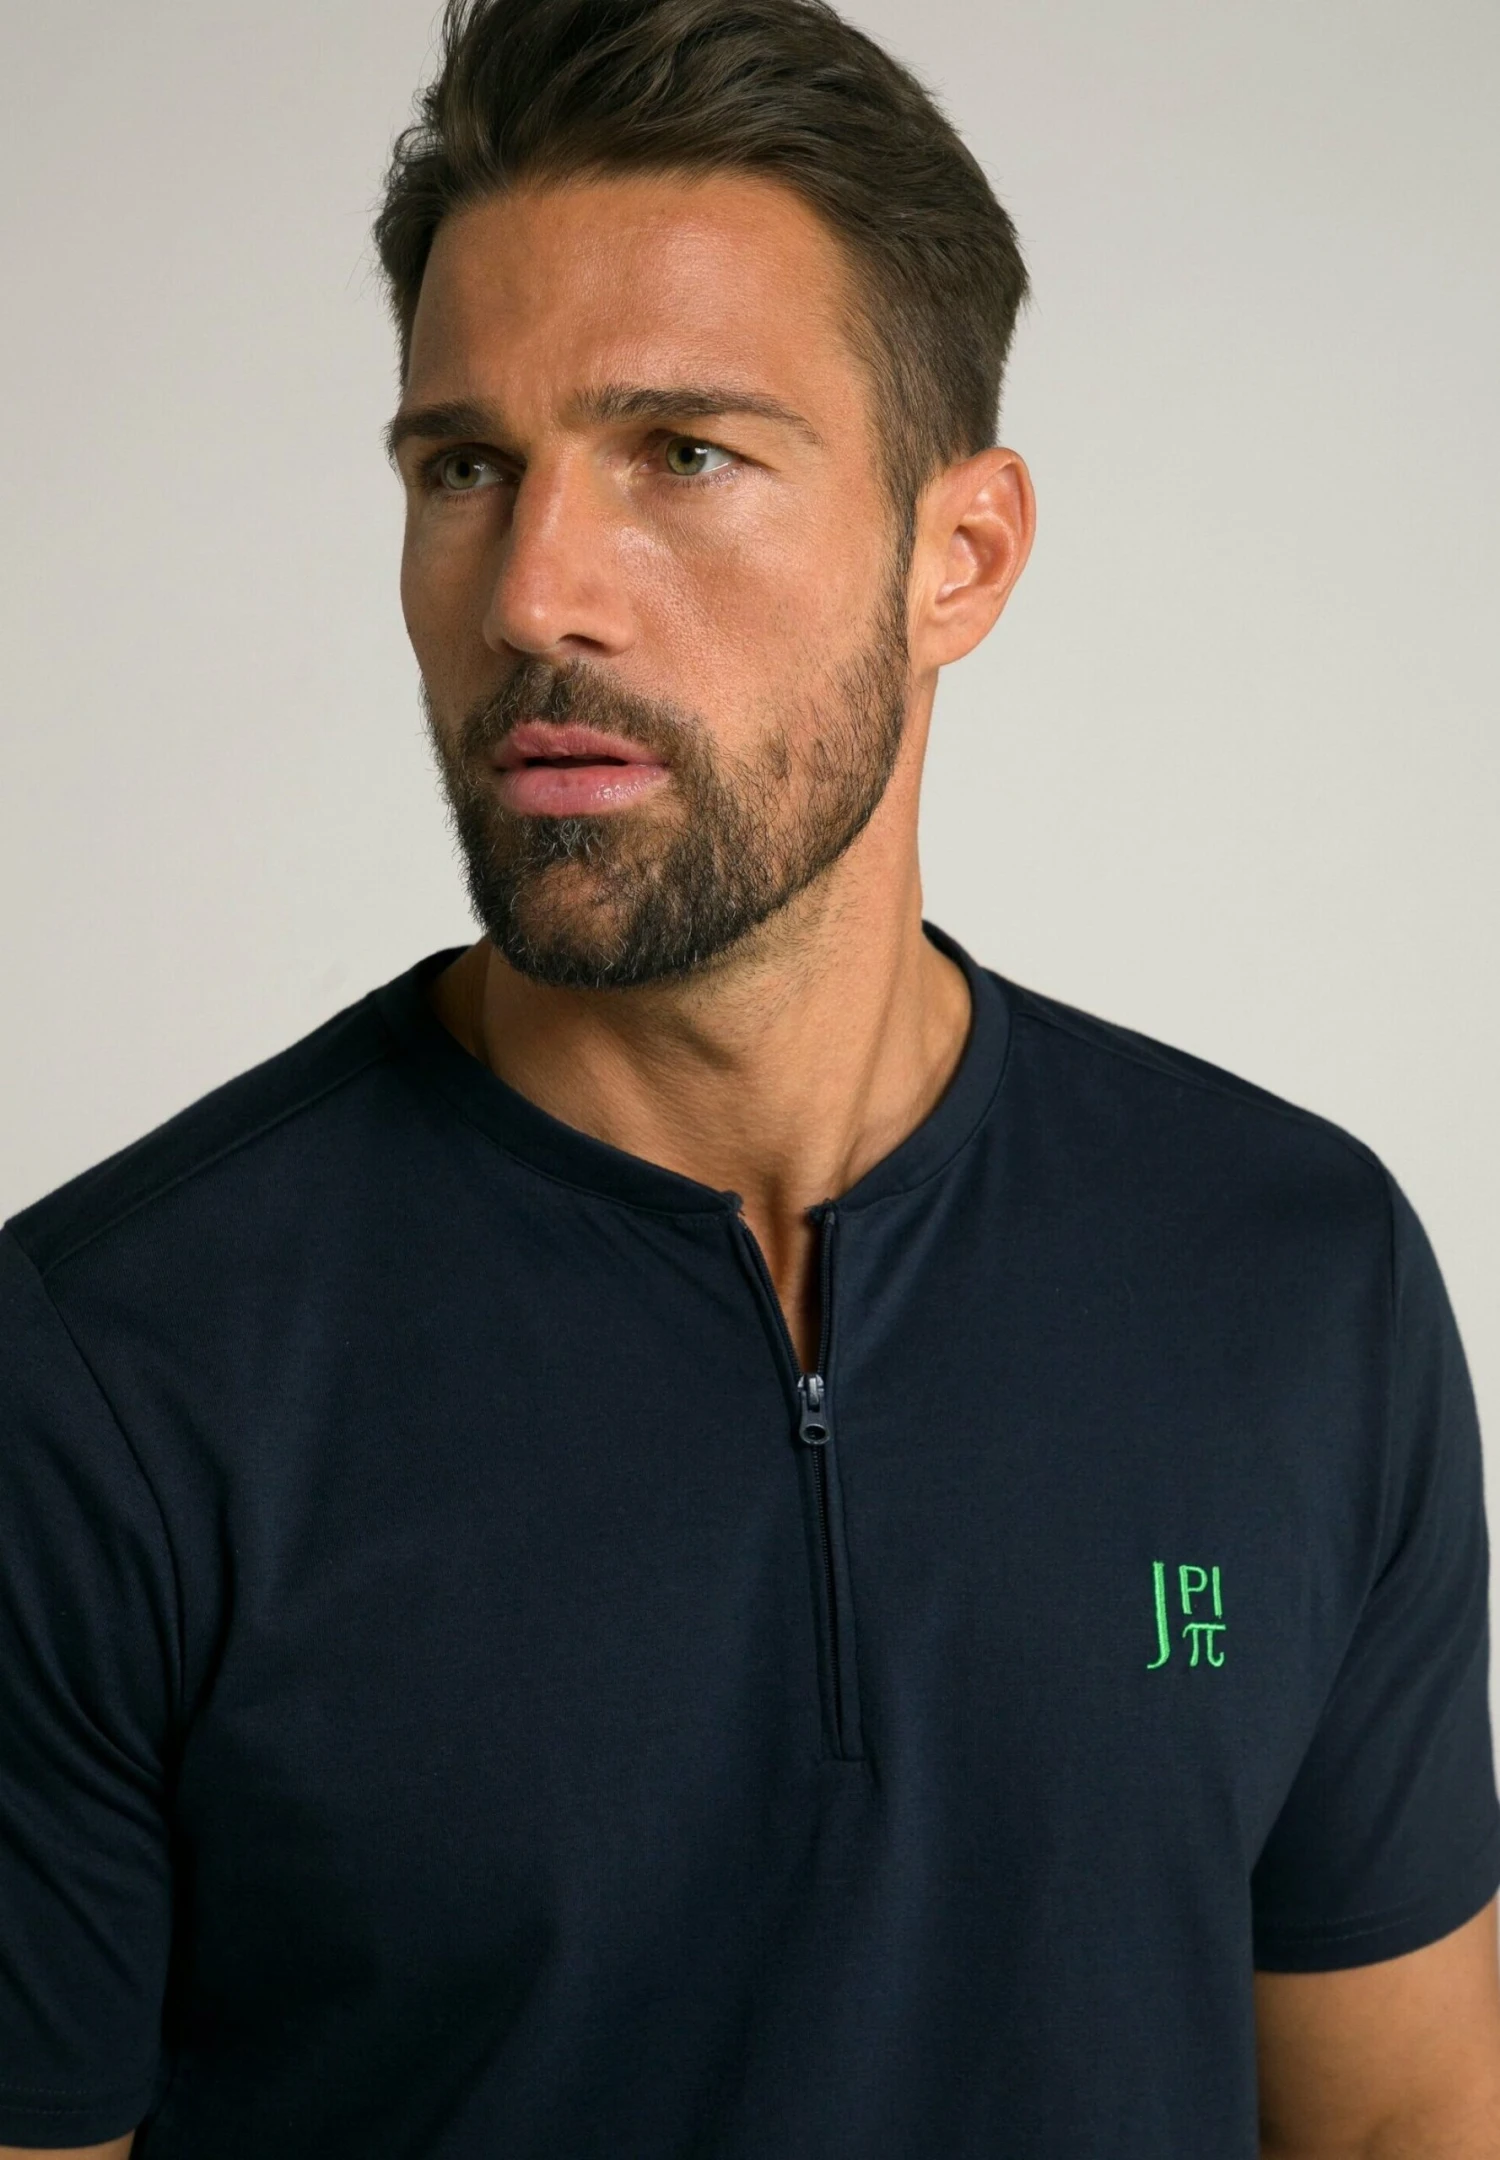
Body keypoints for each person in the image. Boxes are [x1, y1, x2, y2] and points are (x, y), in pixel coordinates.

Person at [2, 0, 1498, 2151]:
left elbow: (1395, 2119)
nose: (535, 594)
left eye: (682, 454)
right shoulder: (106, 1372)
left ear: (959, 556)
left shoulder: (1294, 1271)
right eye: (463, 468)